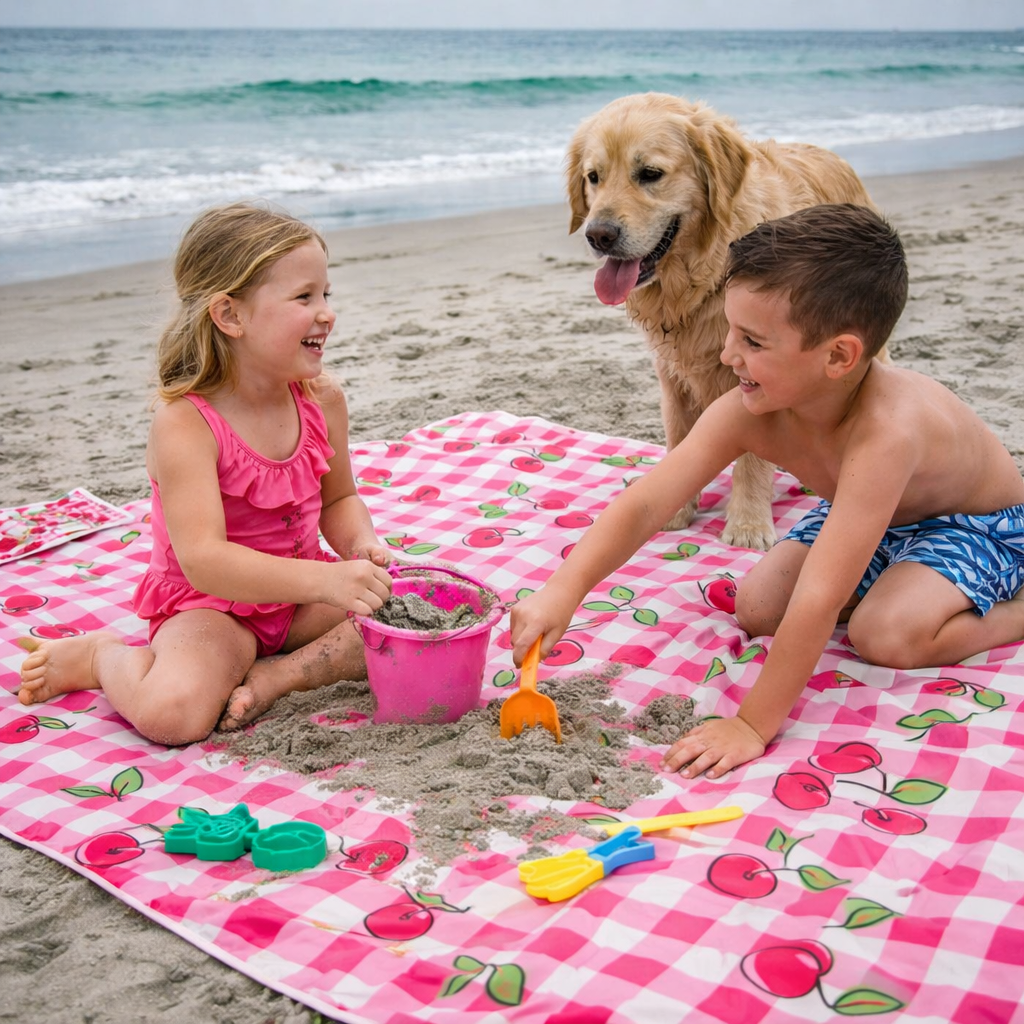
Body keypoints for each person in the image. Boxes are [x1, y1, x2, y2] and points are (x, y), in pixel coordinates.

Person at [511, 203, 1024, 779]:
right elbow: (648, 501)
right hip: (866, 515)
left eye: (753, 341)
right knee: (757, 608)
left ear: (838, 356)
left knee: (884, 635)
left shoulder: (887, 433)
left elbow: (820, 595)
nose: (728, 354)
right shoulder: (751, 407)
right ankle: (903, 584)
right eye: (731, 330)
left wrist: (752, 725)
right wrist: (563, 591)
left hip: (974, 526)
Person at [19, 202, 394, 745]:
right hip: (214, 608)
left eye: (326, 294)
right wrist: (328, 582)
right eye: (304, 297)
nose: (326, 313)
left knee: (405, 618)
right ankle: (101, 657)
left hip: (300, 599)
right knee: (173, 715)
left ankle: (277, 679)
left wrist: (361, 545)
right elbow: (204, 560)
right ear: (230, 316)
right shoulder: (186, 424)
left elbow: (339, 500)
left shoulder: (322, 399)